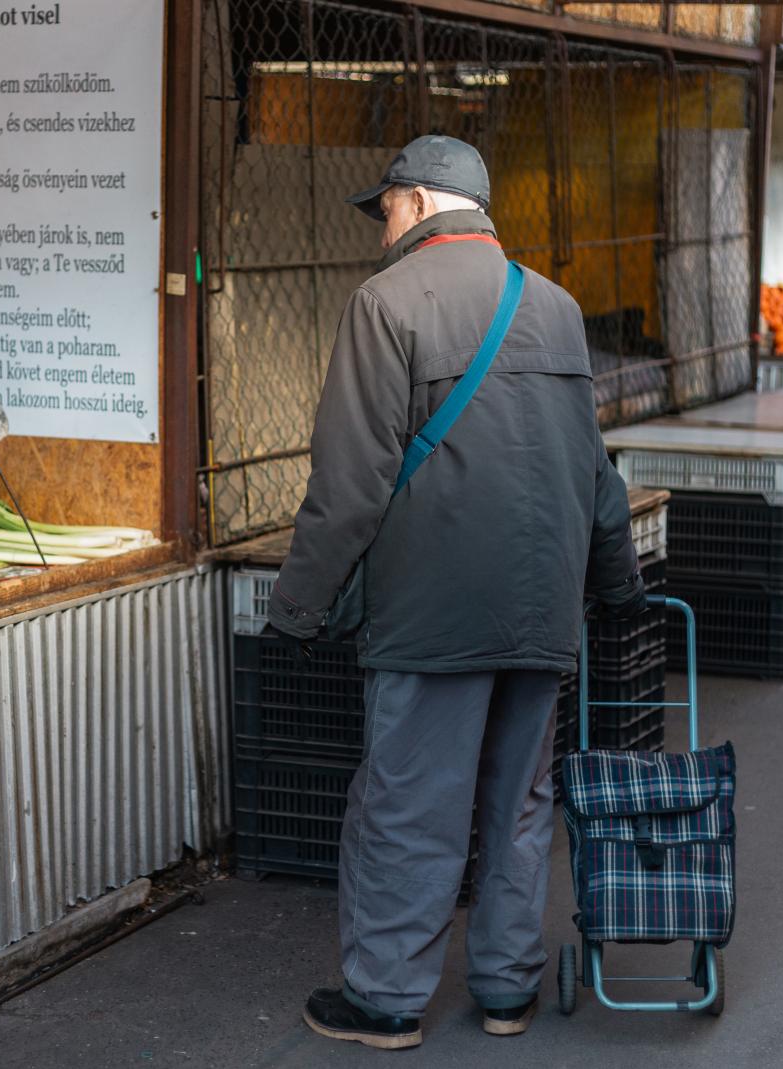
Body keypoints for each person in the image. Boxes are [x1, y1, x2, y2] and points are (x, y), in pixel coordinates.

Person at [264, 135, 645, 1050]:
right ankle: (508, 988)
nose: (380, 226)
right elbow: (595, 471)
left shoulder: (385, 303)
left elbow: (350, 483)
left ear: (423, 201)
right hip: (542, 608)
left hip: (432, 613)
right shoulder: (554, 306)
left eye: (385, 206)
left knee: (410, 804)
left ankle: (388, 998)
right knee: (520, 802)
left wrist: (297, 608)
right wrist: (618, 583)